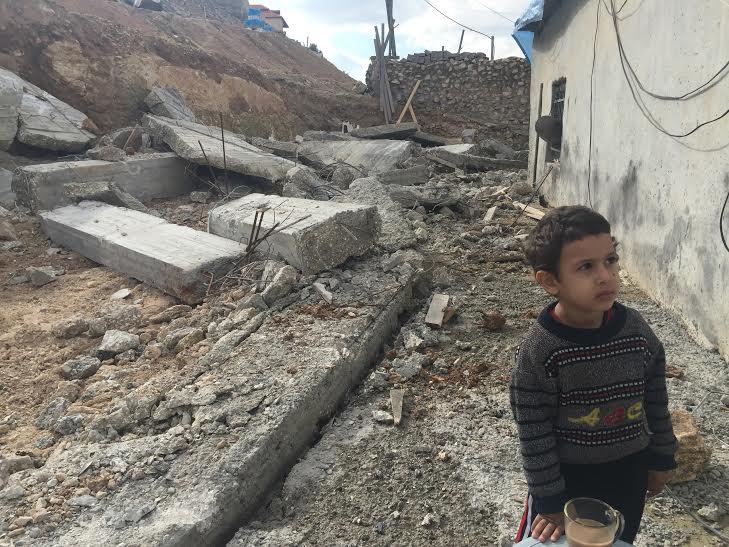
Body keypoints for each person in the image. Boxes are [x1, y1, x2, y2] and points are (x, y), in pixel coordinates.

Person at [510, 206, 678, 544]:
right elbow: (533, 430)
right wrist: (549, 500)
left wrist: (662, 457)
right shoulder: (540, 351)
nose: (606, 276)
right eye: (586, 267)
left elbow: (656, 399)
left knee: (616, 539)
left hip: (629, 474)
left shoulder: (636, 332)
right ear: (550, 281)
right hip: (568, 482)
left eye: (610, 260)